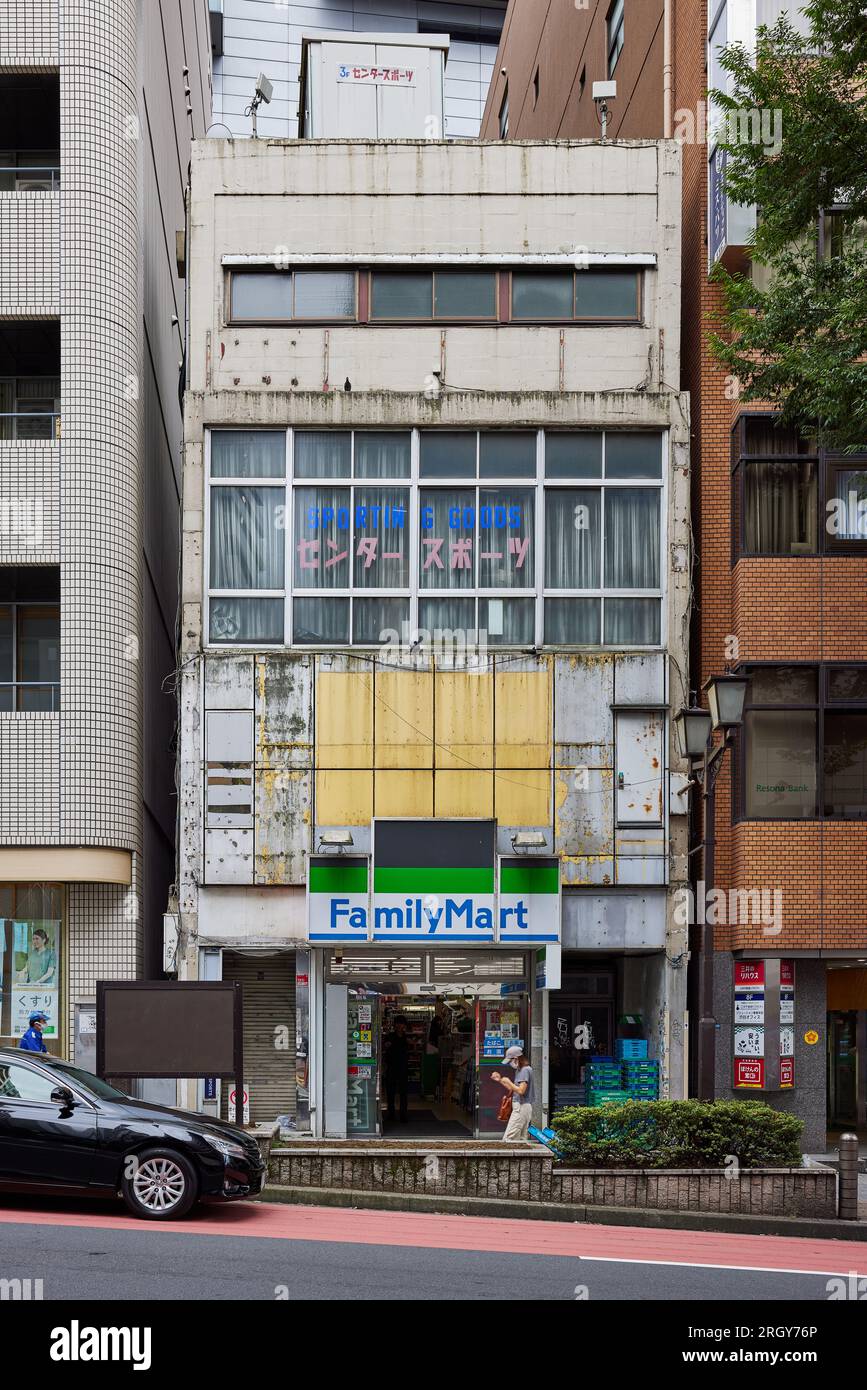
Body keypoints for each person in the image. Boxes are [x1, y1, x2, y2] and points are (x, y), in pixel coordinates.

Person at [492, 1045, 534, 1142]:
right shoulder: (521, 1070)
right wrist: (500, 1080)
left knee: (509, 1138)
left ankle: (507, 1157)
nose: (510, 1064)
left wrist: (508, 1081)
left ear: (516, 1058)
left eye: (510, 1061)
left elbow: (521, 1091)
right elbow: (514, 1089)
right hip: (523, 1106)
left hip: (521, 1106)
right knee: (521, 1138)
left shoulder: (524, 1070)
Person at [384, 1016, 410, 1124]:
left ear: (404, 1025)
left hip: (403, 1068)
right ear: (395, 1025)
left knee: (403, 1093)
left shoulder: (406, 1038)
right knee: (390, 1092)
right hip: (391, 1067)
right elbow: (385, 1047)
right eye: (398, 1023)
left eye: (402, 1024)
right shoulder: (389, 1036)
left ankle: (403, 1115)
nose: (400, 1026)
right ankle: (391, 1114)